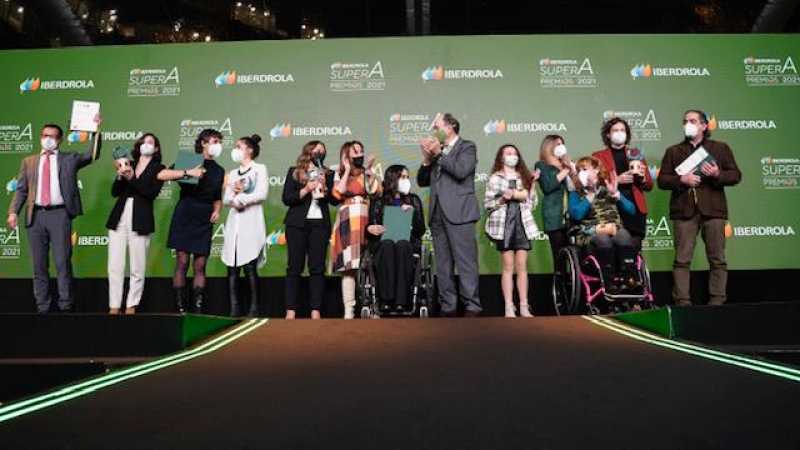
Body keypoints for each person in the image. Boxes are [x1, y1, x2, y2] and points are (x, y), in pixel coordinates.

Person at [6, 119, 102, 313]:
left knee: (62, 262)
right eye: (44, 135)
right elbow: (22, 190)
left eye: (52, 136)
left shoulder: (70, 159)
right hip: (36, 217)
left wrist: (95, 131)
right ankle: (42, 307)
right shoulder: (29, 161)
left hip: (60, 215)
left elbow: (92, 155)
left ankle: (66, 305)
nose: (47, 139)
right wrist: (13, 211)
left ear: (60, 140)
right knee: (39, 265)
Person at [657, 110, 741, 306]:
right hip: (684, 211)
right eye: (685, 121)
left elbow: (735, 175)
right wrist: (682, 179)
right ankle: (682, 302)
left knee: (717, 258)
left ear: (704, 125)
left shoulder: (719, 149)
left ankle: (717, 301)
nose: (688, 124)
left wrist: (717, 174)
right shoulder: (673, 151)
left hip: (713, 210)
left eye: (693, 121)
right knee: (681, 260)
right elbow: (662, 180)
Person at [418, 113, 482, 317]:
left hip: (460, 212)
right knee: (443, 265)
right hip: (437, 214)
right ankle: (448, 306)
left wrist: (439, 155)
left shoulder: (467, 147)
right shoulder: (439, 153)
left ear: (450, 127)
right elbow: (422, 180)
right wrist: (428, 160)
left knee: (466, 262)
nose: (434, 131)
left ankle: (472, 305)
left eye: (436, 126)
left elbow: (461, 171)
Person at [105, 133, 177, 314]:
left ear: (156, 148)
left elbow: (149, 193)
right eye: (144, 141)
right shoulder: (129, 163)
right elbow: (115, 192)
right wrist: (120, 176)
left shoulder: (158, 168)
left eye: (151, 142)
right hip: (119, 218)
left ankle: (131, 306)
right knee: (115, 265)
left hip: (141, 218)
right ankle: (114, 306)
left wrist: (131, 179)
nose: (147, 144)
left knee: (137, 266)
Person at [165, 128, 225, 314]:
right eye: (214, 141)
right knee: (182, 261)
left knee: (200, 264)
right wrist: (188, 172)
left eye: (219, 142)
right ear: (203, 143)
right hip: (186, 212)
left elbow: (217, 197)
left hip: (204, 217)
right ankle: (180, 308)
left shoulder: (219, 170)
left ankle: (198, 308)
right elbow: (165, 174)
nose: (217, 145)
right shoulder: (190, 161)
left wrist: (216, 211)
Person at [568, 156, 640, 295]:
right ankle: (610, 282)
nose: (581, 172)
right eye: (579, 170)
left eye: (585, 169)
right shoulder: (576, 194)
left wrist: (617, 195)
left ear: (596, 170)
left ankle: (630, 280)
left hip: (615, 231)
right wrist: (590, 196)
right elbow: (576, 215)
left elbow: (632, 210)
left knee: (624, 234)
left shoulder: (608, 190)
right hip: (590, 234)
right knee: (603, 238)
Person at [484, 144, 539, 318]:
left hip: (522, 223)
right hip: (503, 225)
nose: (512, 156)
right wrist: (502, 199)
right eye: (508, 153)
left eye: (515, 153)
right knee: (508, 266)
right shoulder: (494, 178)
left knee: (522, 266)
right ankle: (509, 306)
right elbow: (487, 205)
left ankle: (524, 305)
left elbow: (532, 203)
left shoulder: (524, 176)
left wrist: (532, 187)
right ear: (501, 157)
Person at [282, 141, 334, 320]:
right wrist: (306, 189)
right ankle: (290, 310)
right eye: (317, 150)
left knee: (317, 268)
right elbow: (287, 198)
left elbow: (333, 199)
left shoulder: (328, 173)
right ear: (308, 152)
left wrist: (324, 185)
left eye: (323, 150)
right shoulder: (295, 171)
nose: (320, 152)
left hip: (320, 224)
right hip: (297, 225)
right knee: (294, 267)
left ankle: (315, 309)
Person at [330, 140, 380, 319]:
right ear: (346, 155)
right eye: (355, 152)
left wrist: (369, 171)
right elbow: (337, 193)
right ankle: (349, 310)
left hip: (366, 218)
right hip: (347, 220)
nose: (359, 155)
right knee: (349, 267)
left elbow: (374, 192)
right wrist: (346, 169)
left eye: (361, 151)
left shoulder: (367, 172)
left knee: (369, 264)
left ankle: (373, 307)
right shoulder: (338, 173)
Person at [366, 165, 426, 310]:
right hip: (383, 244)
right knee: (387, 244)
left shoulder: (414, 200)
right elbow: (370, 230)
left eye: (407, 177)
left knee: (402, 245)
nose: (406, 180)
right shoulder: (379, 202)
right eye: (403, 177)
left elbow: (420, 230)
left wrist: (413, 213)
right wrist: (371, 228)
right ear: (393, 179)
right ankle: (386, 300)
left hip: (407, 244)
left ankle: (401, 300)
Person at [221, 134, 268, 317]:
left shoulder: (259, 168)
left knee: (250, 266)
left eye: (238, 146)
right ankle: (234, 309)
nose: (235, 150)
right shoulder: (232, 173)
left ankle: (254, 309)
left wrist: (241, 199)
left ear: (249, 150)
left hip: (251, 222)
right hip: (235, 223)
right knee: (232, 268)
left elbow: (262, 193)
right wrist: (233, 196)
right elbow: (226, 199)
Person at [593, 118, 653, 251]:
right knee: (611, 245)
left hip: (635, 206)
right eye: (615, 130)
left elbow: (649, 185)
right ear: (608, 134)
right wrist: (617, 180)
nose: (619, 133)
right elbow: (595, 181)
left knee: (634, 247)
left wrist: (642, 178)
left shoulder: (636, 154)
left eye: (622, 130)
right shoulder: (598, 156)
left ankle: (633, 271)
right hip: (611, 206)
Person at [535, 134, 574, 269]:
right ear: (549, 146)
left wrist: (572, 169)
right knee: (559, 255)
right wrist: (565, 171)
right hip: (554, 216)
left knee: (576, 255)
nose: (561, 147)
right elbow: (548, 186)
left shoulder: (569, 164)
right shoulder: (541, 165)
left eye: (562, 144)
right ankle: (560, 286)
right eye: (557, 144)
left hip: (573, 213)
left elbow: (578, 187)